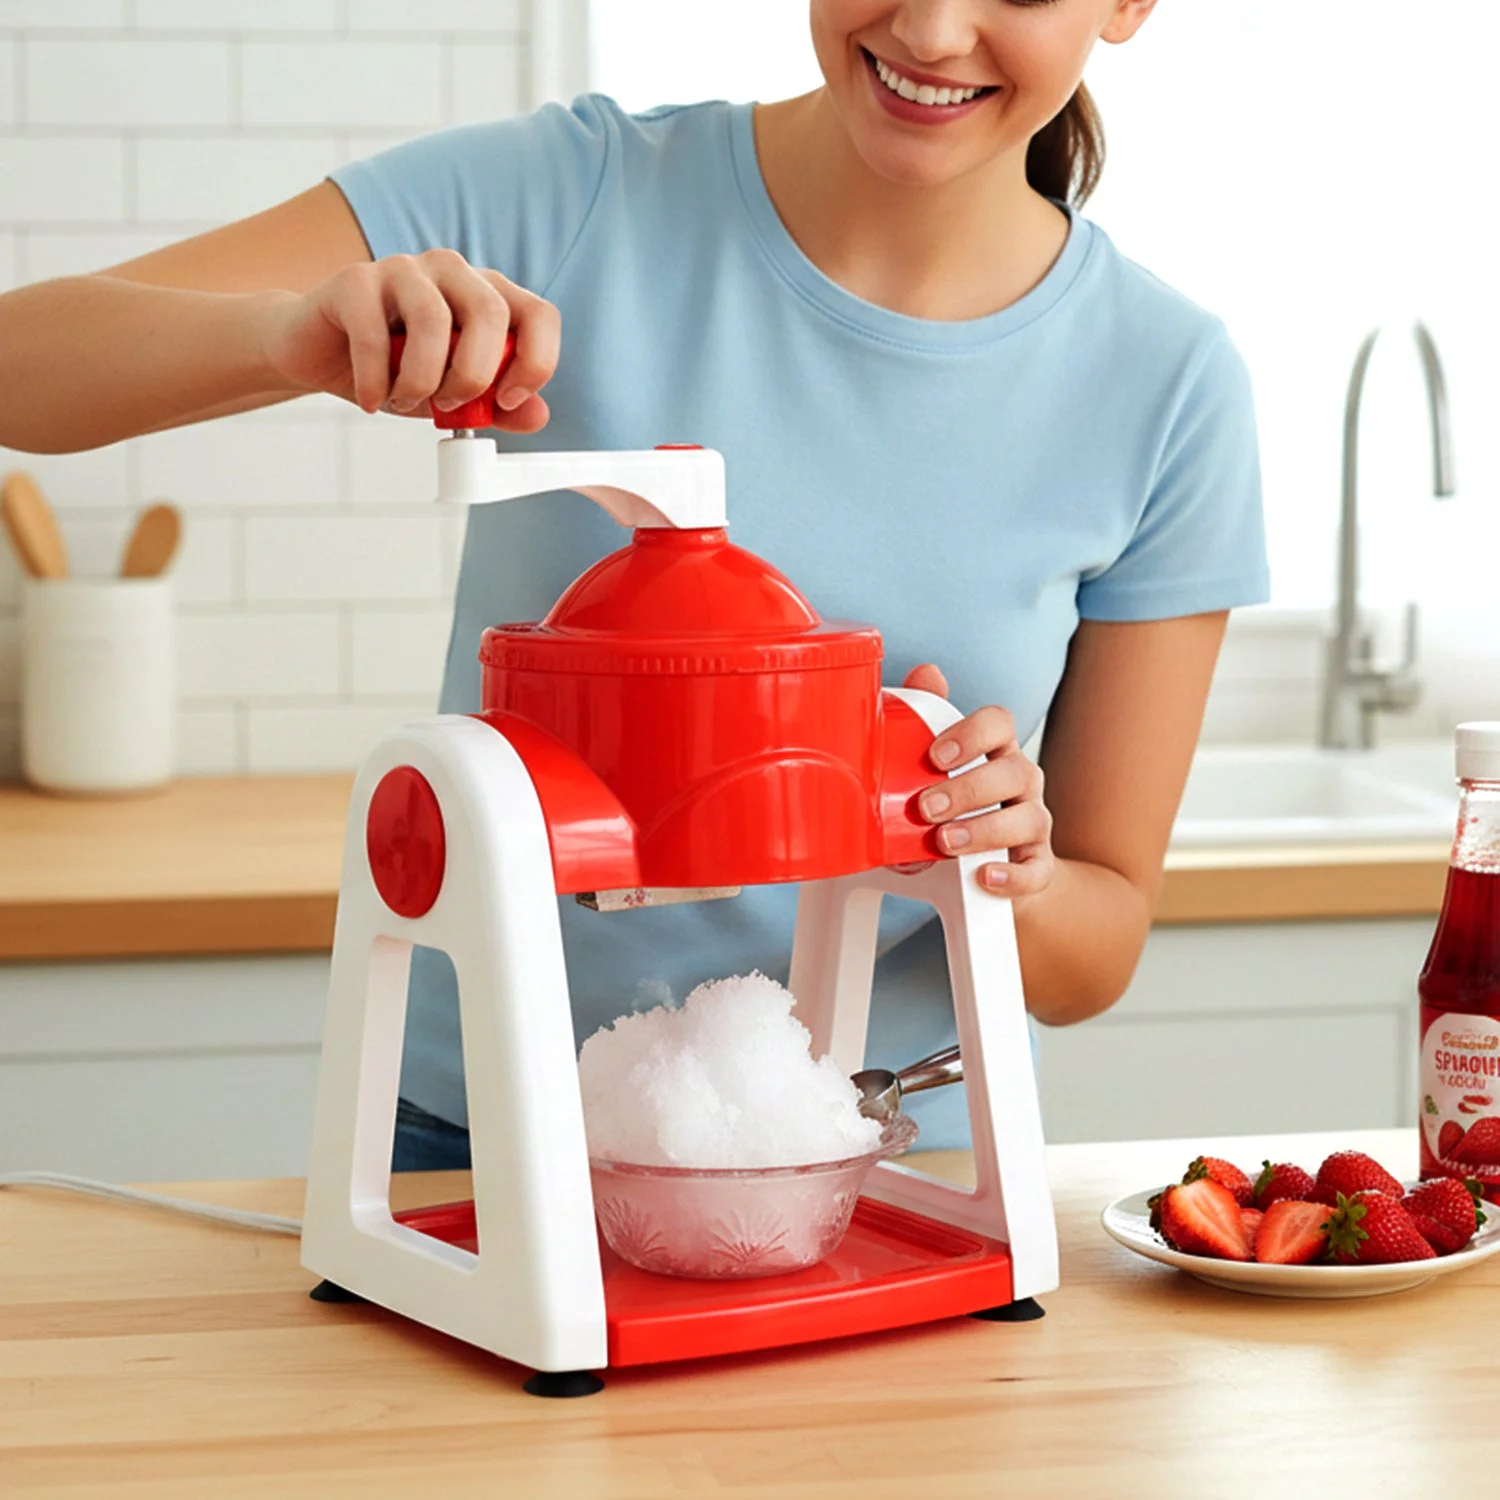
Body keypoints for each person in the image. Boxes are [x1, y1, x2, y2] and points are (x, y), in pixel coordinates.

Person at [0, 0, 1265, 1163]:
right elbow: (21, 370)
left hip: (893, 1161)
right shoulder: (569, 194)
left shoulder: (1165, 381)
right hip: (479, 1142)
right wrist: (289, 336)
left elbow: (1095, 954)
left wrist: (1002, 862)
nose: (934, 30)